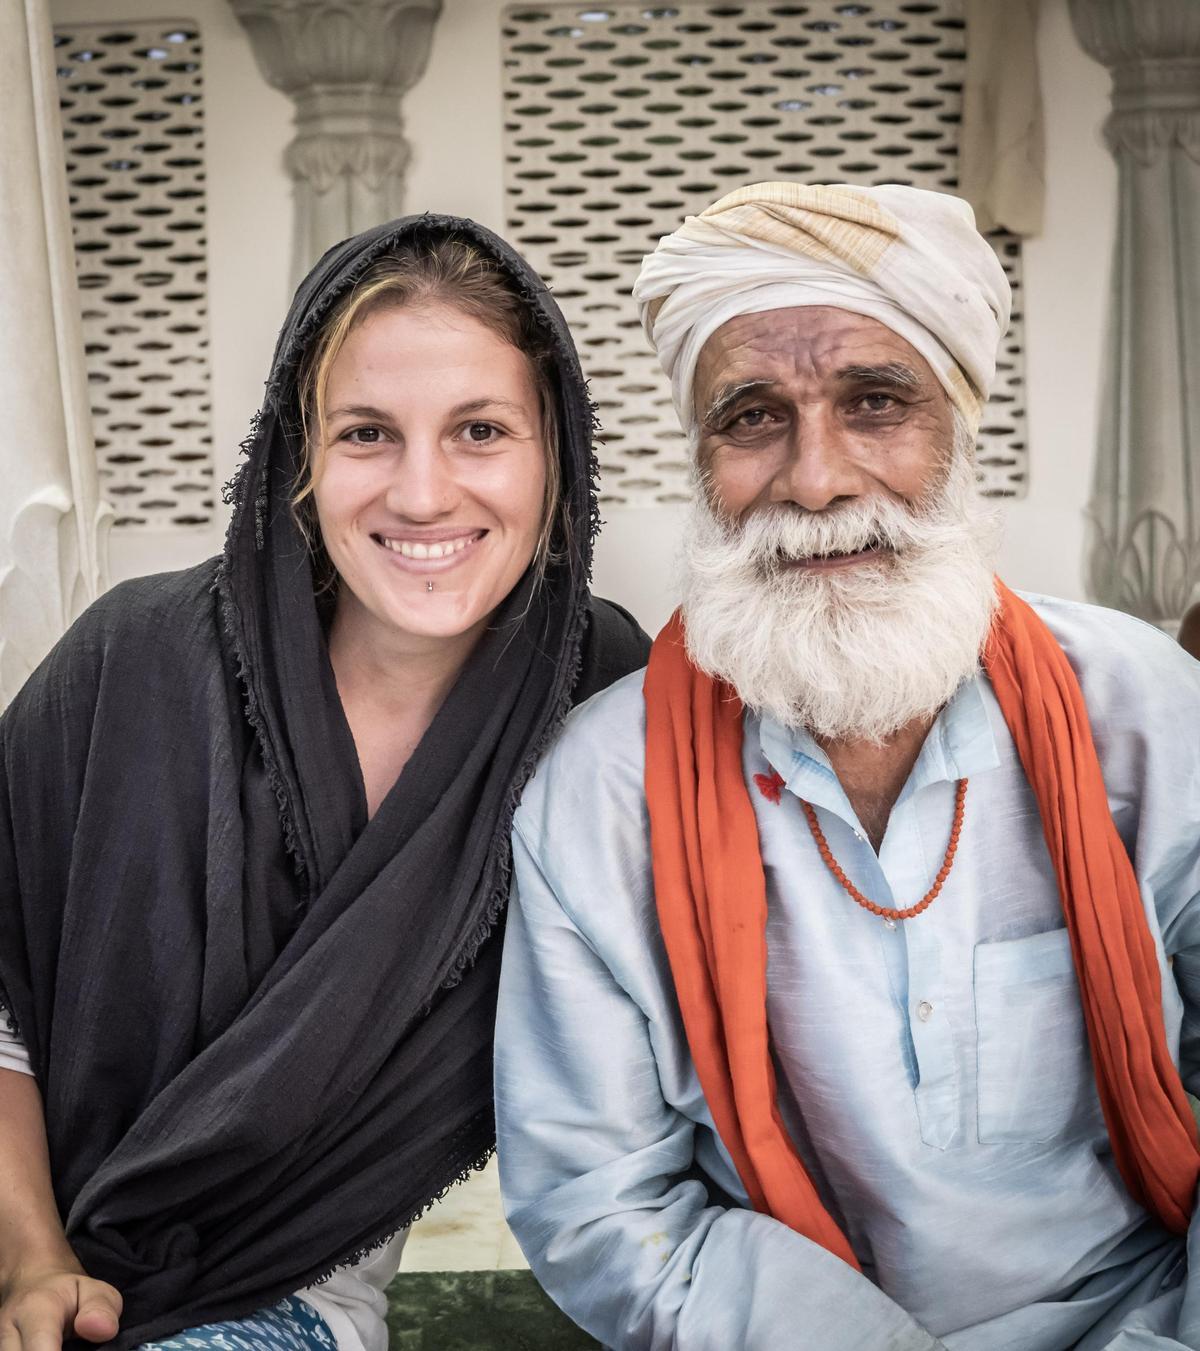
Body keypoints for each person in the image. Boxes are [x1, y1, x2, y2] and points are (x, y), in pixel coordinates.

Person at [493, 181, 1200, 1350]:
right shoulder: (602, 794)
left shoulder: (1142, 712)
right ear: (703, 460)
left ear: (960, 430)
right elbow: (600, 1205)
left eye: (876, 403)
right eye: (753, 417)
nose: (816, 479)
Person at [0, 214, 647, 1351]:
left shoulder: (602, 711)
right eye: (366, 434)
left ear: (558, 450)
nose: (424, 492)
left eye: (481, 429)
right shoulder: (133, 664)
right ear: (301, 454)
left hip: (274, 1300)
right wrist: (33, 1255)